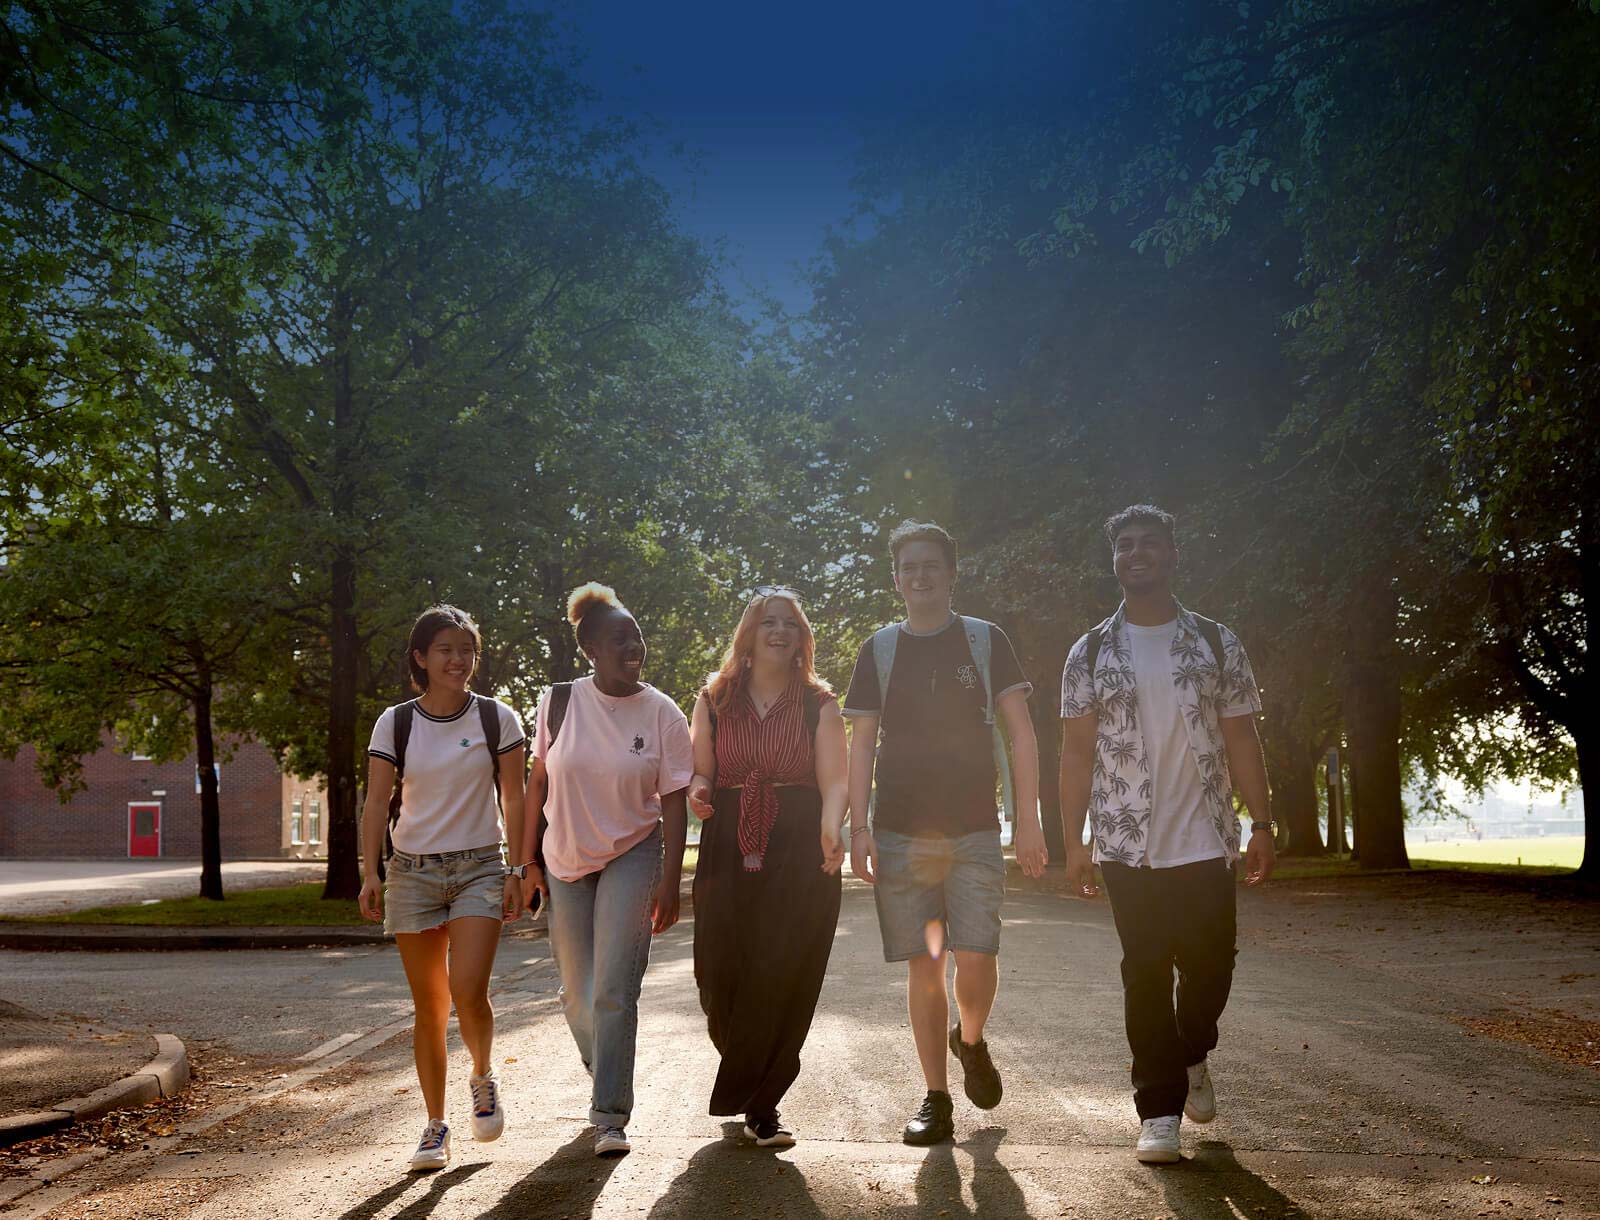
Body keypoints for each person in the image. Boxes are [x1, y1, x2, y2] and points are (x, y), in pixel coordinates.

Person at [1058, 504, 1276, 1165]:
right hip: (1127, 844)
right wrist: (1072, 840)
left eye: (1149, 542)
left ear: (1173, 554)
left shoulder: (1215, 641)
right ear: (1114, 561)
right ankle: (1158, 1110)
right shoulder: (1090, 651)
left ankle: (1191, 1053)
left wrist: (1263, 820)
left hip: (1207, 838)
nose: (1136, 552)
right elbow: (1074, 753)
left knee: (1212, 970)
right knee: (1144, 973)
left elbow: (1242, 735)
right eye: (1124, 545)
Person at [845, 520, 1048, 1146]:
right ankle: (935, 1096)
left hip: (975, 829)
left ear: (952, 574)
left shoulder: (986, 642)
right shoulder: (879, 649)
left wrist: (1032, 820)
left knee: (977, 955)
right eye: (910, 567)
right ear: (896, 578)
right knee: (925, 967)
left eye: (932, 565)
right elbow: (861, 744)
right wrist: (859, 826)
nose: (921, 576)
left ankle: (972, 1038)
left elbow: (1020, 732)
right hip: (901, 831)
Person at [519, 582, 692, 1158]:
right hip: (565, 858)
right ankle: (606, 1071)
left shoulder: (662, 711)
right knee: (577, 994)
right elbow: (537, 782)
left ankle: (610, 1113)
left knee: (615, 991)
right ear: (591, 647)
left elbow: (673, 798)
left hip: (632, 851)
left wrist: (670, 880)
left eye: (637, 635)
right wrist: (527, 862)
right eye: (620, 637)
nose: (633, 644)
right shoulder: (558, 701)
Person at [358, 604, 528, 1172]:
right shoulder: (396, 722)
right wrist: (369, 871)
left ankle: (482, 1076)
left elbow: (516, 797)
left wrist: (518, 868)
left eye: (467, 650)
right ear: (421, 658)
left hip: (481, 866)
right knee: (428, 1007)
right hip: (412, 872)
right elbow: (377, 802)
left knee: (468, 990)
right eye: (446, 650)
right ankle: (435, 1127)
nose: (458, 660)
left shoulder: (496, 718)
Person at [686, 586, 849, 1147]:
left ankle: (763, 1103)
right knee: (719, 968)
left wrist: (833, 827)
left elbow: (835, 780)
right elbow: (701, 771)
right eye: (768, 622)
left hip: (799, 841)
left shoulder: (819, 703)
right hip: (727, 837)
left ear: (801, 637)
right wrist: (699, 793)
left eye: (790, 623)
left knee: (782, 971)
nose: (779, 631)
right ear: (749, 634)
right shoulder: (714, 699)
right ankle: (746, 1070)